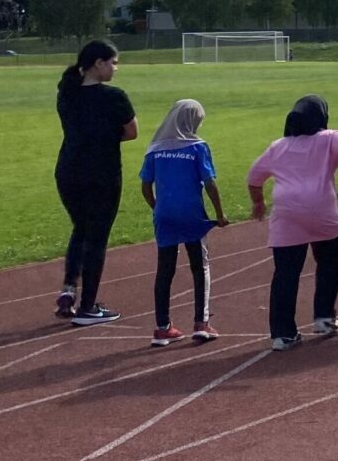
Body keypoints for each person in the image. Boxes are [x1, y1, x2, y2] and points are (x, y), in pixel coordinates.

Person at [248, 96, 338, 351]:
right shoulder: (330, 138)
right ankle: (324, 318)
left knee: (285, 273)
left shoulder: (277, 147)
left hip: (287, 213)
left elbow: (254, 178)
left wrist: (258, 203)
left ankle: (283, 334)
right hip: (321, 209)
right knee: (328, 262)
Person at [54, 40, 138, 325]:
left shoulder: (66, 94)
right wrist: (107, 135)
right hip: (101, 172)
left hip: (68, 171)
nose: (115, 68)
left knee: (81, 228)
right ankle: (88, 307)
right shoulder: (114, 97)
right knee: (97, 238)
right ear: (98, 63)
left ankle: (69, 289)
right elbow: (131, 132)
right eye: (113, 62)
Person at [140, 100, 228, 346]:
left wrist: (157, 208)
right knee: (200, 267)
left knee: (164, 270)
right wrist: (220, 214)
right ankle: (201, 323)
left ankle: (162, 327)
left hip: (164, 214)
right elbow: (209, 182)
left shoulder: (155, 149)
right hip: (191, 214)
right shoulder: (198, 147)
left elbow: (145, 186)